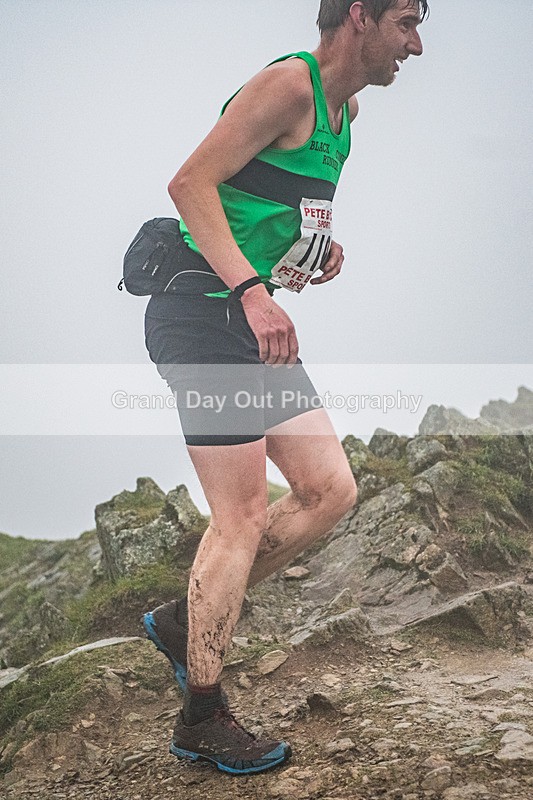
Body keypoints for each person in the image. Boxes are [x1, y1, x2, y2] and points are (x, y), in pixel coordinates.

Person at [142, 0, 427, 776]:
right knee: (237, 518)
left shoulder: (346, 113)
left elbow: (275, 201)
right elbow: (189, 184)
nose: (415, 44)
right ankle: (201, 718)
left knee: (328, 488)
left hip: (249, 318)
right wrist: (250, 291)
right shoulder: (289, 85)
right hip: (203, 312)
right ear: (359, 16)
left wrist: (315, 246)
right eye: (405, 22)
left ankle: (185, 621)